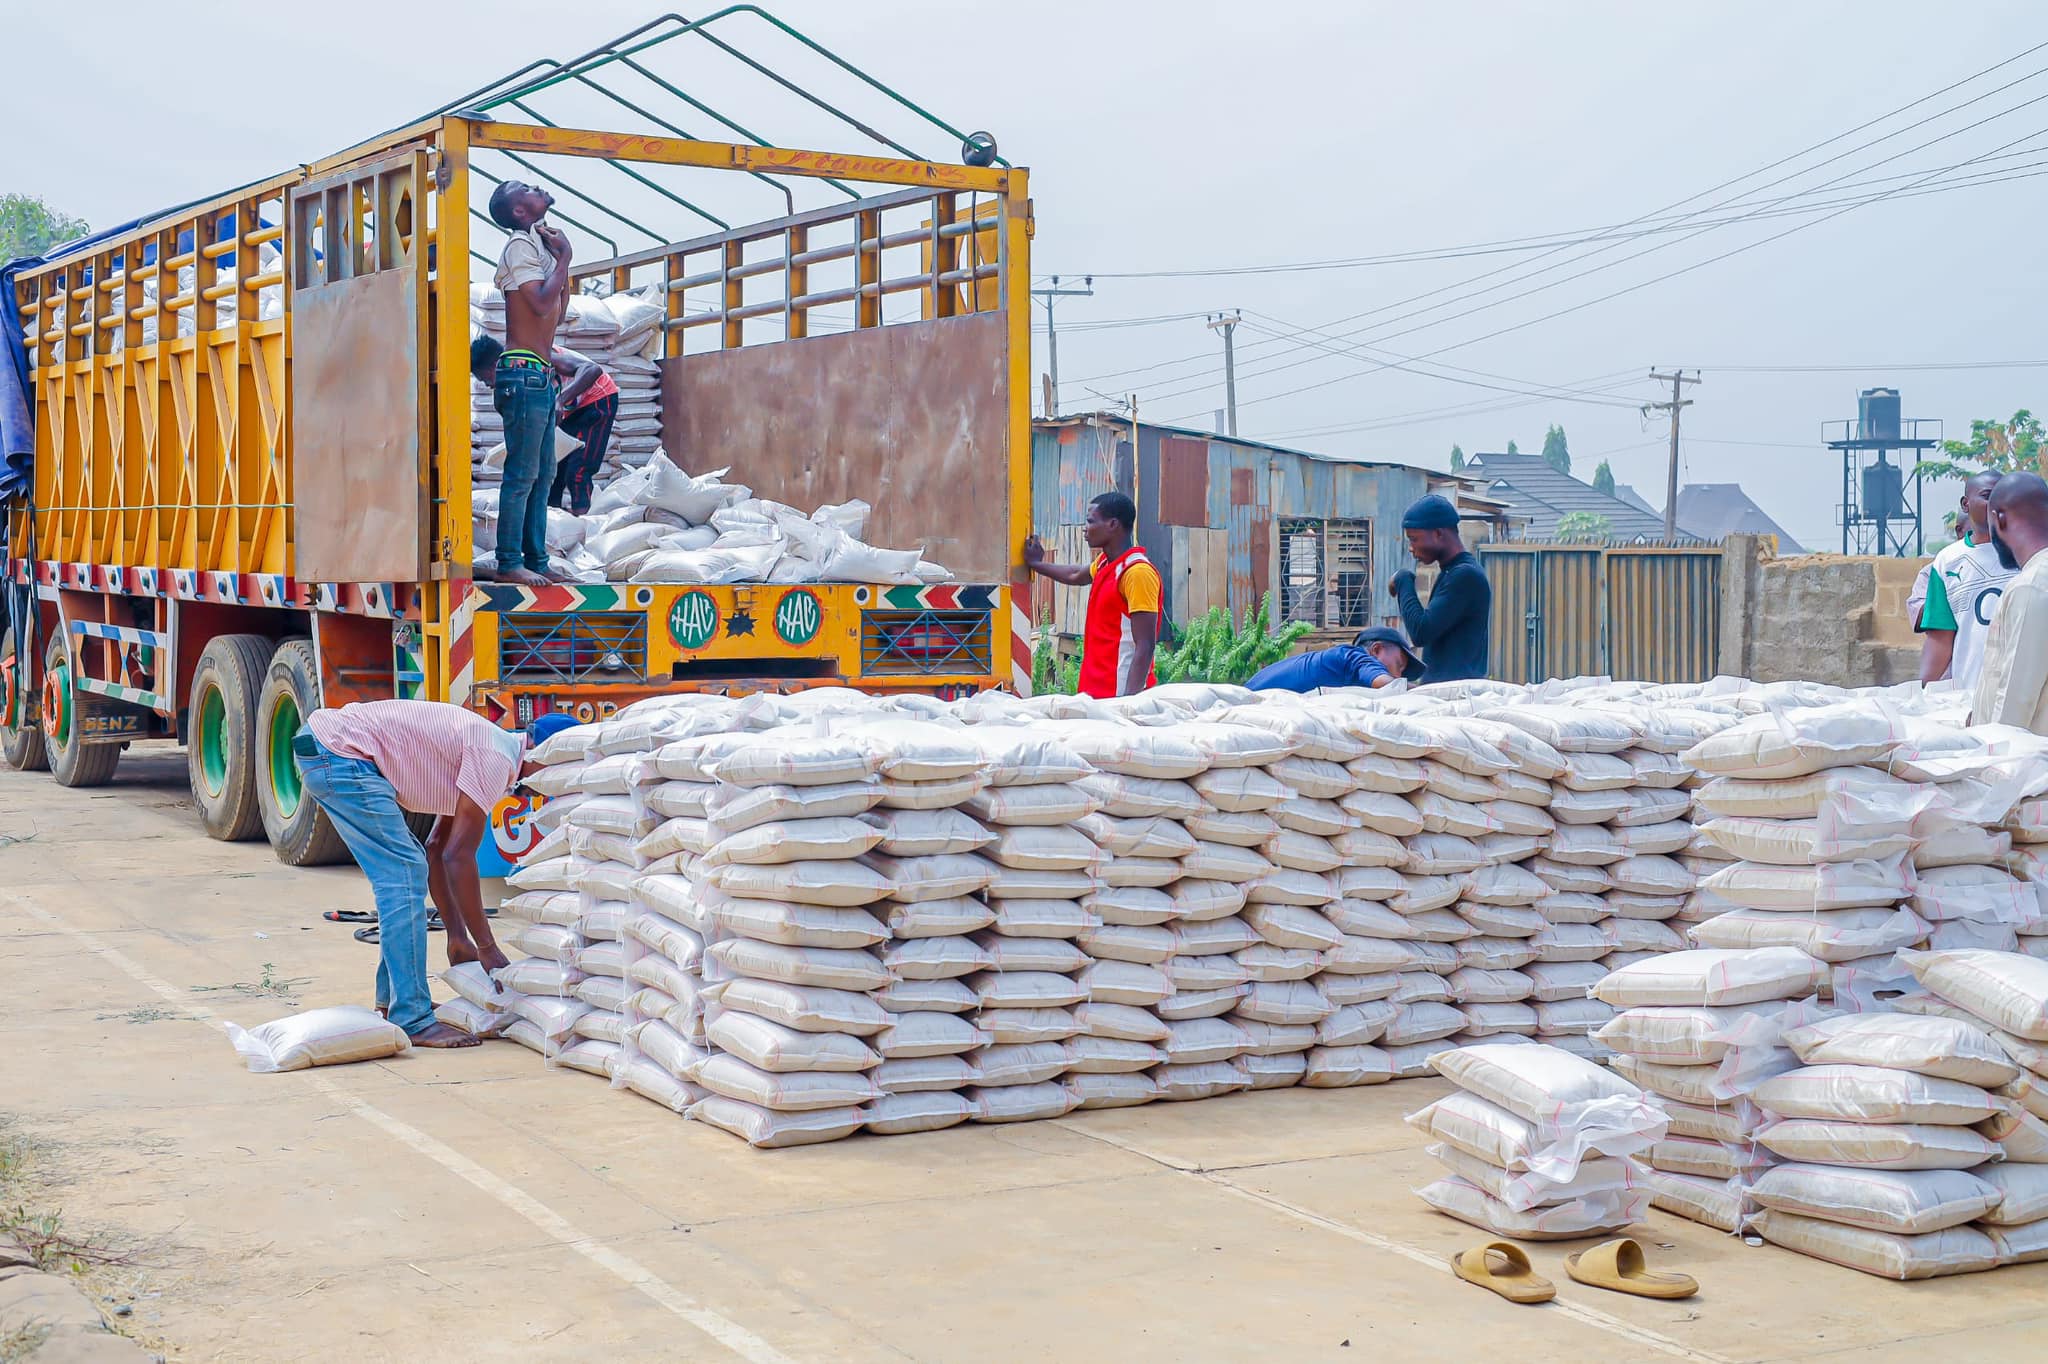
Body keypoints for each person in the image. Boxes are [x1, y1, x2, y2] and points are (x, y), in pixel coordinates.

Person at [292, 702, 577, 1048]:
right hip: (339, 753)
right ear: (542, 753)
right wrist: (486, 947)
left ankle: (396, 1003)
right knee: (403, 873)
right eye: (560, 773)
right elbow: (458, 857)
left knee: (408, 869)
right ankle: (411, 1018)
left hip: (329, 749)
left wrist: (457, 937)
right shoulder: (495, 758)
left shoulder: (493, 757)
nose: (553, 787)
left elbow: (438, 848)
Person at [488, 180, 574, 587]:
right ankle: (510, 561)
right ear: (520, 212)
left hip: (537, 375)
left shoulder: (537, 246)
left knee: (543, 473)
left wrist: (562, 262)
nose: (537, 186)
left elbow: (556, 310)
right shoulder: (519, 246)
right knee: (522, 475)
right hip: (522, 374)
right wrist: (565, 257)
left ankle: (536, 561)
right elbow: (540, 302)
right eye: (526, 188)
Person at [1024, 492, 1160, 698]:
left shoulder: (1137, 572)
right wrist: (1036, 564)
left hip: (1119, 694)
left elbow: (1145, 645)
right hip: (1096, 691)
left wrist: (1129, 704)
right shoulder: (1106, 564)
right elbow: (1075, 574)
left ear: (1113, 524)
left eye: (1090, 521)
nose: (1084, 528)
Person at [470, 336, 618, 516]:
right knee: (550, 472)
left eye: (486, 378)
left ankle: (588, 531)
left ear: (496, 365)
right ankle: (553, 528)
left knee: (577, 472)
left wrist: (560, 401)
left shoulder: (535, 358)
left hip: (597, 399)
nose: (488, 385)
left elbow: (592, 369)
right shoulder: (510, 387)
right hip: (570, 411)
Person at [1920, 471, 2013, 688]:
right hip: (1970, 694)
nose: (1997, 503)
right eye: (1988, 495)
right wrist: (1921, 694)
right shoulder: (1946, 561)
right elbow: (1940, 640)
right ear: (1965, 504)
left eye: (2004, 496)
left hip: (2026, 695)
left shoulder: (2029, 552)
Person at [1972, 472, 2048, 734]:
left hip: (2026, 764)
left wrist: (1990, 757)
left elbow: (2016, 698)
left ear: (1999, 518)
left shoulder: (2032, 585)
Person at [1389, 493, 1491, 682]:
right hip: (1449, 691)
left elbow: (1421, 632)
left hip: (1456, 695)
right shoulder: (1452, 572)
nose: (1411, 548)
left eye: (1414, 539)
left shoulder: (1464, 576)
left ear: (1438, 533)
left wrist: (1403, 580)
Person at [1248, 627, 1421, 692]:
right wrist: (1434, 691)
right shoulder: (1354, 657)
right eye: (1399, 665)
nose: (1398, 675)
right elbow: (1388, 685)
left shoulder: (1338, 661)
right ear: (1376, 649)